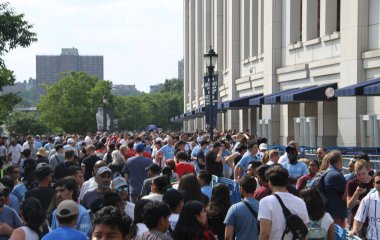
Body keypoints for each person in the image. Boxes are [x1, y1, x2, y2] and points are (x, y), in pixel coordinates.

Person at [258, 165, 309, 240]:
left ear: (270, 182)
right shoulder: (300, 202)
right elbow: (304, 233)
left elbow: (265, 234)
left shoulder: (266, 202)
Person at [318, 150, 347, 228]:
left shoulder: (327, 173)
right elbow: (346, 196)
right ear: (339, 161)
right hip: (335, 216)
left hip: (329, 214)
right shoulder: (336, 175)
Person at [225, 176, 259, 240]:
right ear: (255, 189)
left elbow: (228, 236)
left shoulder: (234, 208)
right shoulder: (262, 206)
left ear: (241, 189)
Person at [349, 171, 380, 240]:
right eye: (378, 182)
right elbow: (359, 219)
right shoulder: (367, 200)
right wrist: (355, 230)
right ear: (374, 184)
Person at [346, 159, 373, 229]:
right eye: (358, 174)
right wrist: (356, 193)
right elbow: (349, 206)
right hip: (355, 223)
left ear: (368, 170)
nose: (361, 177)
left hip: (372, 224)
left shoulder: (375, 183)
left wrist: (360, 202)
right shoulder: (351, 183)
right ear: (355, 172)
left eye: (363, 173)